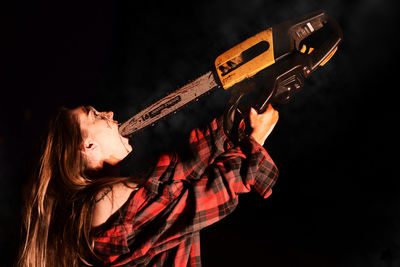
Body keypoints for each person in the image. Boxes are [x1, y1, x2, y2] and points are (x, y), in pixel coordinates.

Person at [18, 103, 279, 266]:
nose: (108, 113)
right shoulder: (103, 199)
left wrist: (231, 128)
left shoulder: (103, 200)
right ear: (88, 146)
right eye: (95, 115)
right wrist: (256, 141)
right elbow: (197, 204)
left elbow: (181, 176)